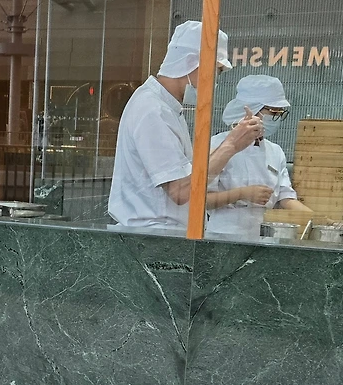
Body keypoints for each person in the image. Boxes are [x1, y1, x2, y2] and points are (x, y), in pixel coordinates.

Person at [108, 20, 263, 229]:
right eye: (215, 71)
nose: (214, 82)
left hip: (163, 234)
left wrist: (232, 143)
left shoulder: (167, 108)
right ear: (191, 63)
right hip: (152, 235)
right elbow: (180, 191)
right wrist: (231, 145)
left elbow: (189, 177)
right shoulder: (152, 110)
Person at [205, 75, 310, 236]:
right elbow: (202, 200)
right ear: (251, 109)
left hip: (264, 235)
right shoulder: (218, 145)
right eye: (273, 112)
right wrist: (242, 194)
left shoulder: (275, 151)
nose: (276, 118)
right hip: (223, 235)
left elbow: (286, 198)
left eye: (280, 113)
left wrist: (324, 221)